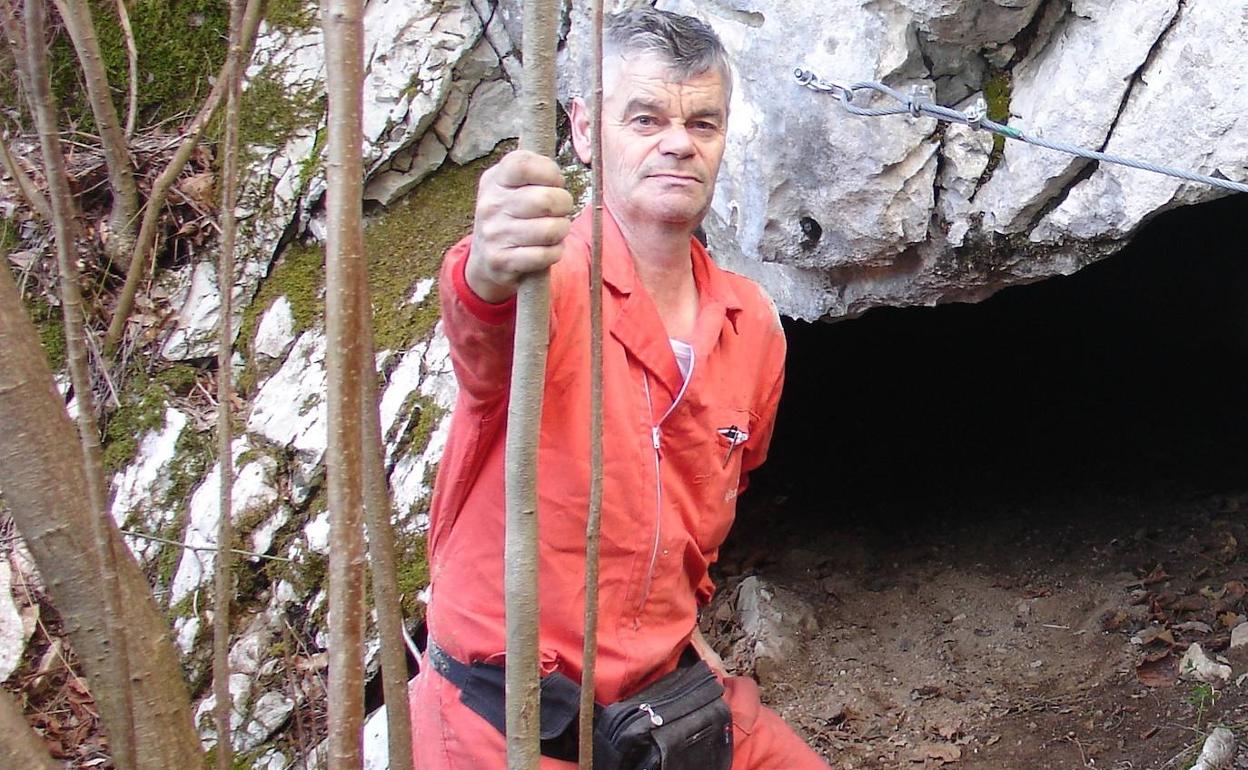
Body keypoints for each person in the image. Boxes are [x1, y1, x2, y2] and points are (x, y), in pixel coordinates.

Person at [408, 8, 830, 769]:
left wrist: (678, 622)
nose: (678, 141)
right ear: (583, 128)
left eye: (703, 122)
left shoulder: (753, 324)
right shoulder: (546, 282)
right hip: (502, 719)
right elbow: (481, 316)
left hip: (657, 705)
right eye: (645, 117)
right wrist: (489, 264)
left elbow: (709, 503)